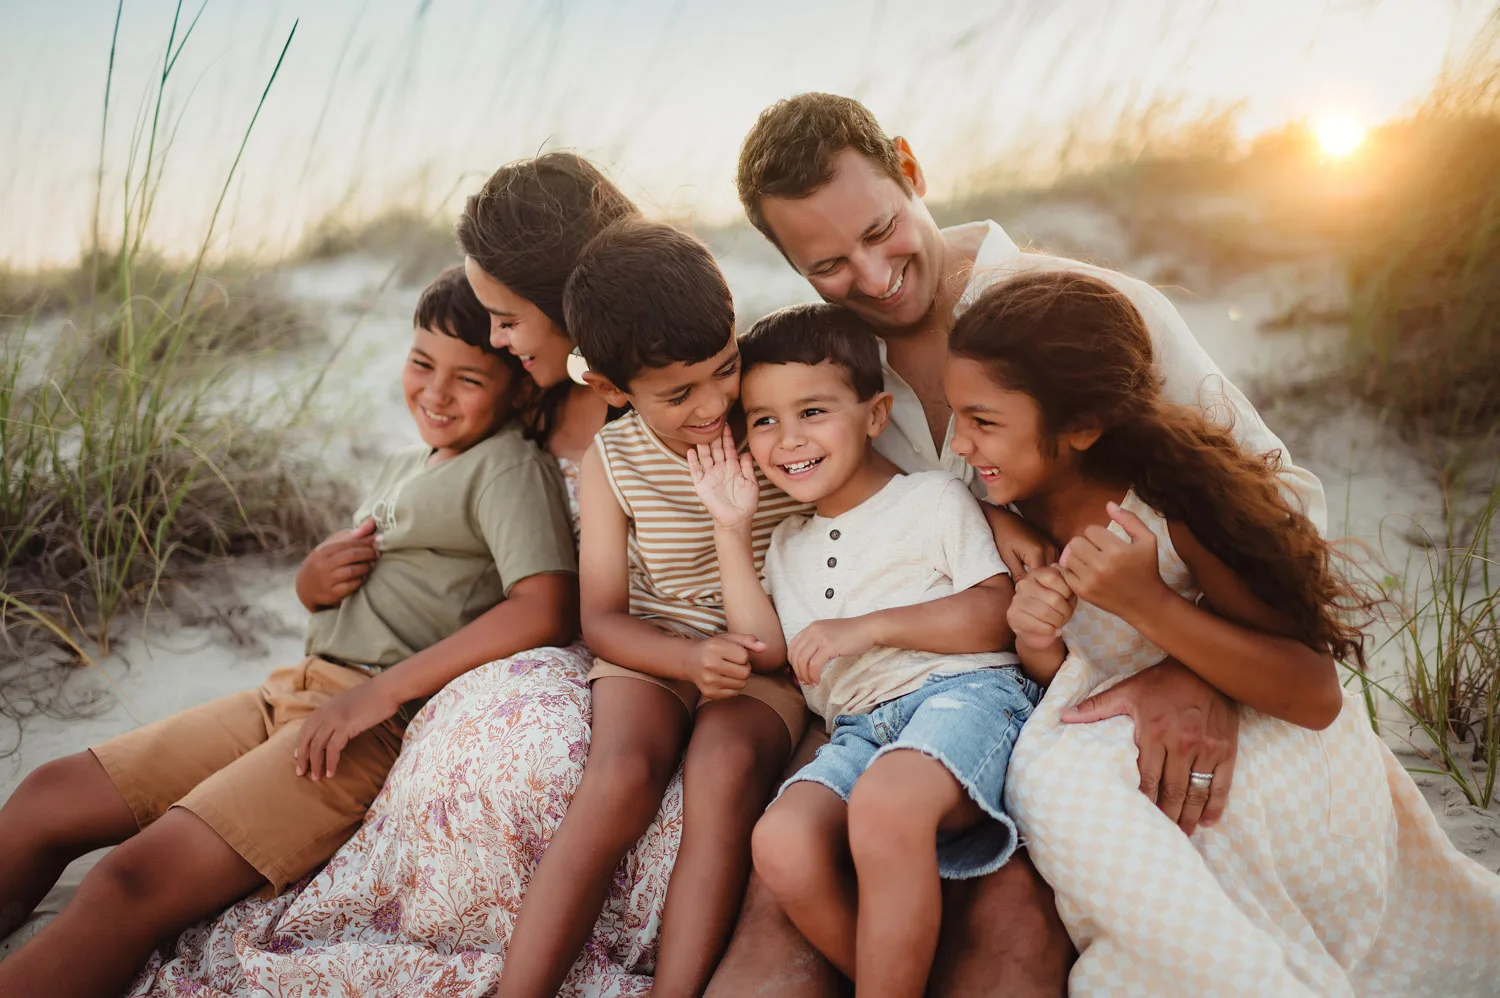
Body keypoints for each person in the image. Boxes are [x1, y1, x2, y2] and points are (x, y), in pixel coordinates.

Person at [711, 92, 1327, 996]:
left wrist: (1194, 664)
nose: (876, 274)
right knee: (781, 897)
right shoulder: (836, 378)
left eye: (882, 229)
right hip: (931, 704)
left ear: (912, 170)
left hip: (1091, 703)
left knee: (1013, 926)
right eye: (829, 264)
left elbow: (1282, 511)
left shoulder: (1083, 312)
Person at [123, 154, 677, 997]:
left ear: (570, 301)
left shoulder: (660, 392)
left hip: (638, 640)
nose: (492, 338)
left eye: (504, 318)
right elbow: (430, 516)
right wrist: (321, 589)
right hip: (488, 655)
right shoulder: (526, 395)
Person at [0, 265, 579, 998]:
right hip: (289, 694)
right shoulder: (406, 464)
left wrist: (379, 696)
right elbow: (373, 587)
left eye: (468, 378)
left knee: (131, 878)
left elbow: (545, 607)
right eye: (421, 363)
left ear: (521, 388)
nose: (434, 392)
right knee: (49, 793)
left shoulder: (506, 467)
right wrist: (312, 581)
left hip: (360, 731)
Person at [948, 270, 1500, 996]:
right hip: (1143, 758)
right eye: (957, 416)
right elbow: (1080, 683)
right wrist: (1039, 641)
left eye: (983, 422)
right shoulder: (1017, 508)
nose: (958, 442)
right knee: (1083, 841)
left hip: (1274, 750)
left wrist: (1147, 600)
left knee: (1058, 780)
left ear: (1082, 426)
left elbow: (1312, 693)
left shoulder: (1178, 504)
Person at [492, 218, 812, 998]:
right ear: (609, 388)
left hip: (764, 649)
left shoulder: (775, 419)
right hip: (654, 642)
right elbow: (600, 617)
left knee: (724, 765)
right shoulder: (614, 459)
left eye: (725, 368)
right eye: (678, 393)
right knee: (620, 776)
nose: (714, 405)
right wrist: (684, 660)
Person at [690, 303, 1037, 998]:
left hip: (961, 699)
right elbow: (765, 648)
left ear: (875, 416)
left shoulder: (933, 499)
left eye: (813, 412)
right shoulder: (787, 544)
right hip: (858, 730)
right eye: (763, 421)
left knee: (885, 806)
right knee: (781, 844)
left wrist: (869, 627)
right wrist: (731, 531)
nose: (788, 439)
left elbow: (996, 614)